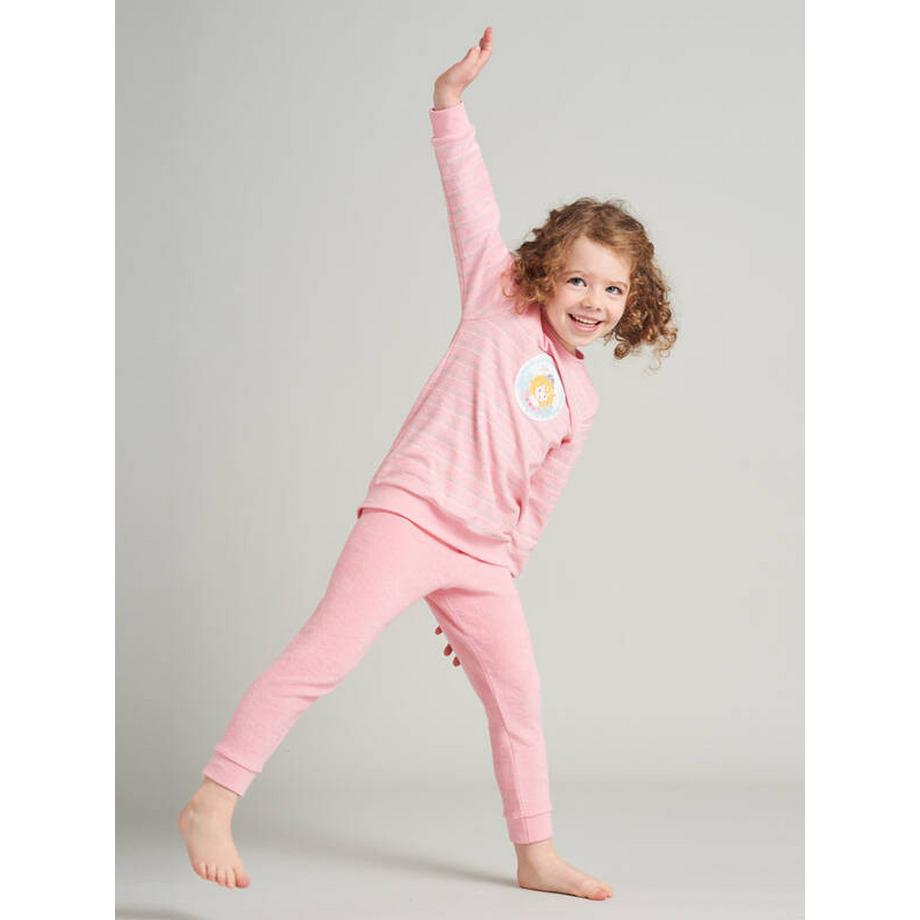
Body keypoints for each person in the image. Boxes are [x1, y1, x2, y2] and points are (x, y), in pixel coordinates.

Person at [178, 25, 677, 901]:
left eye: (612, 289)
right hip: (409, 516)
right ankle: (210, 802)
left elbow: (536, 502)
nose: (593, 301)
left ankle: (535, 853)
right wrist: (449, 104)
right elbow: (469, 199)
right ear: (544, 274)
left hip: (481, 556)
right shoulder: (496, 295)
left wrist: (494, 579)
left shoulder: (582, 399)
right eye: (578, 280)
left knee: (518, 697)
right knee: (324, 655)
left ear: (632, 303)